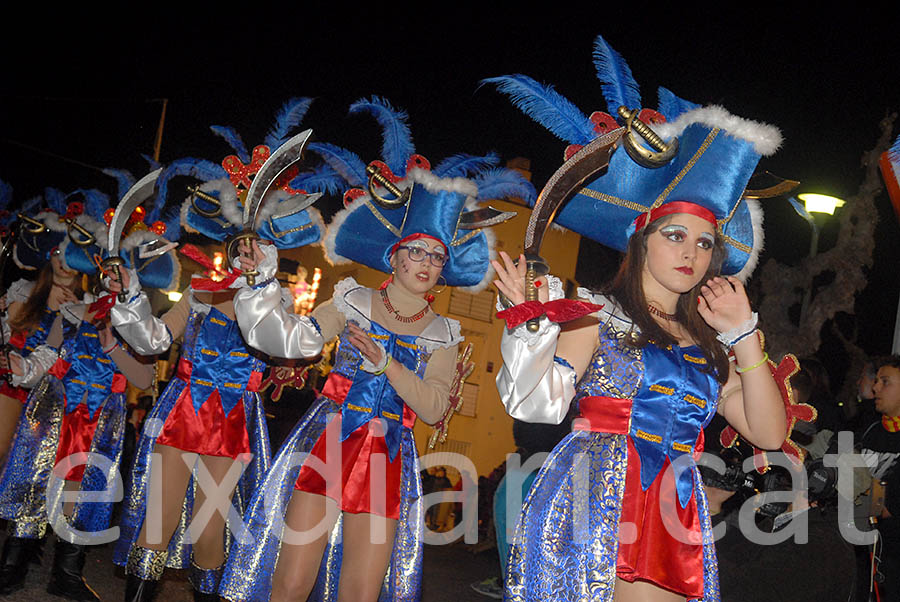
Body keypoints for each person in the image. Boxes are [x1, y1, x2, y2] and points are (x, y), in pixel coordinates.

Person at [490, 36, 788, 601]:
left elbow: (769, 433)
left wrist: (744, 335)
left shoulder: (707, 346)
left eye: (705, 243)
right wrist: (529, 325)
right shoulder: (598, 315)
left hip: (675, 503)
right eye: (674, 235)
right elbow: (536, 406)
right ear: (640, 240)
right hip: (597, 499)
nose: (691, 253)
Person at [218, 95, 535, 602]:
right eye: (417, 251)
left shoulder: (444, 333)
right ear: (394, 255)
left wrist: (386, 364)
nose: (428, 262)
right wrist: (259, 283)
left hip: (387, 457)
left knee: (361, 593)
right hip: (328, 441)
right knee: (291, 582)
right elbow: (291, 341)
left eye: (437, 255)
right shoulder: (351, 300)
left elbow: (433, 407)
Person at [106, 139, 325, 601]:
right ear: (231, 247)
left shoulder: (277, 306)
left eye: (257, 248)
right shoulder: (199, 295)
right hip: (183, 410)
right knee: (157, 523)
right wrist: (130, 297)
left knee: (210, 532)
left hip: (230, 421)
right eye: (242, 247)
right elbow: (155, 341)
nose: (248, 255)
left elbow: (289, 346)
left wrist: (266, 301)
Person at [0, 197, 156, 601]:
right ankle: (11, 565)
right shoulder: (72, 312)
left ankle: (66, 573)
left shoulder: (135, 322)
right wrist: (20, 369)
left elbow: (144, 376)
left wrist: (113, 350)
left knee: (80, 498)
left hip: (99, 423)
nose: (110, 278)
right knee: (31, 487)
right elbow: (44, 357)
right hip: (54, 413)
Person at [855, 355, 900, 600]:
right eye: (877, 381)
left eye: (886, 382)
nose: (875, 387)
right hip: (864, 550)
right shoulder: (871, 430)